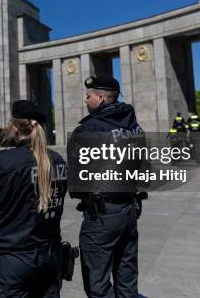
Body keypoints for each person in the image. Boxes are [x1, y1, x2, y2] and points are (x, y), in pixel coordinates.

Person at [0, 100, 67, 298]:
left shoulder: (4, 161)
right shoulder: (58, 160)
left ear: (14, 128)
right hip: (50, 255)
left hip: (14, 258)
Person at [72, 75, 143, 298]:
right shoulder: (134, 125)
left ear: (101, 98)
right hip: (129, 210)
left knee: (98, 285)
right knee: (127, 278)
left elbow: (77, 184)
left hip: (102, 215)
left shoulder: (88, 129)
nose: (86, 100)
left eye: (89, 95)